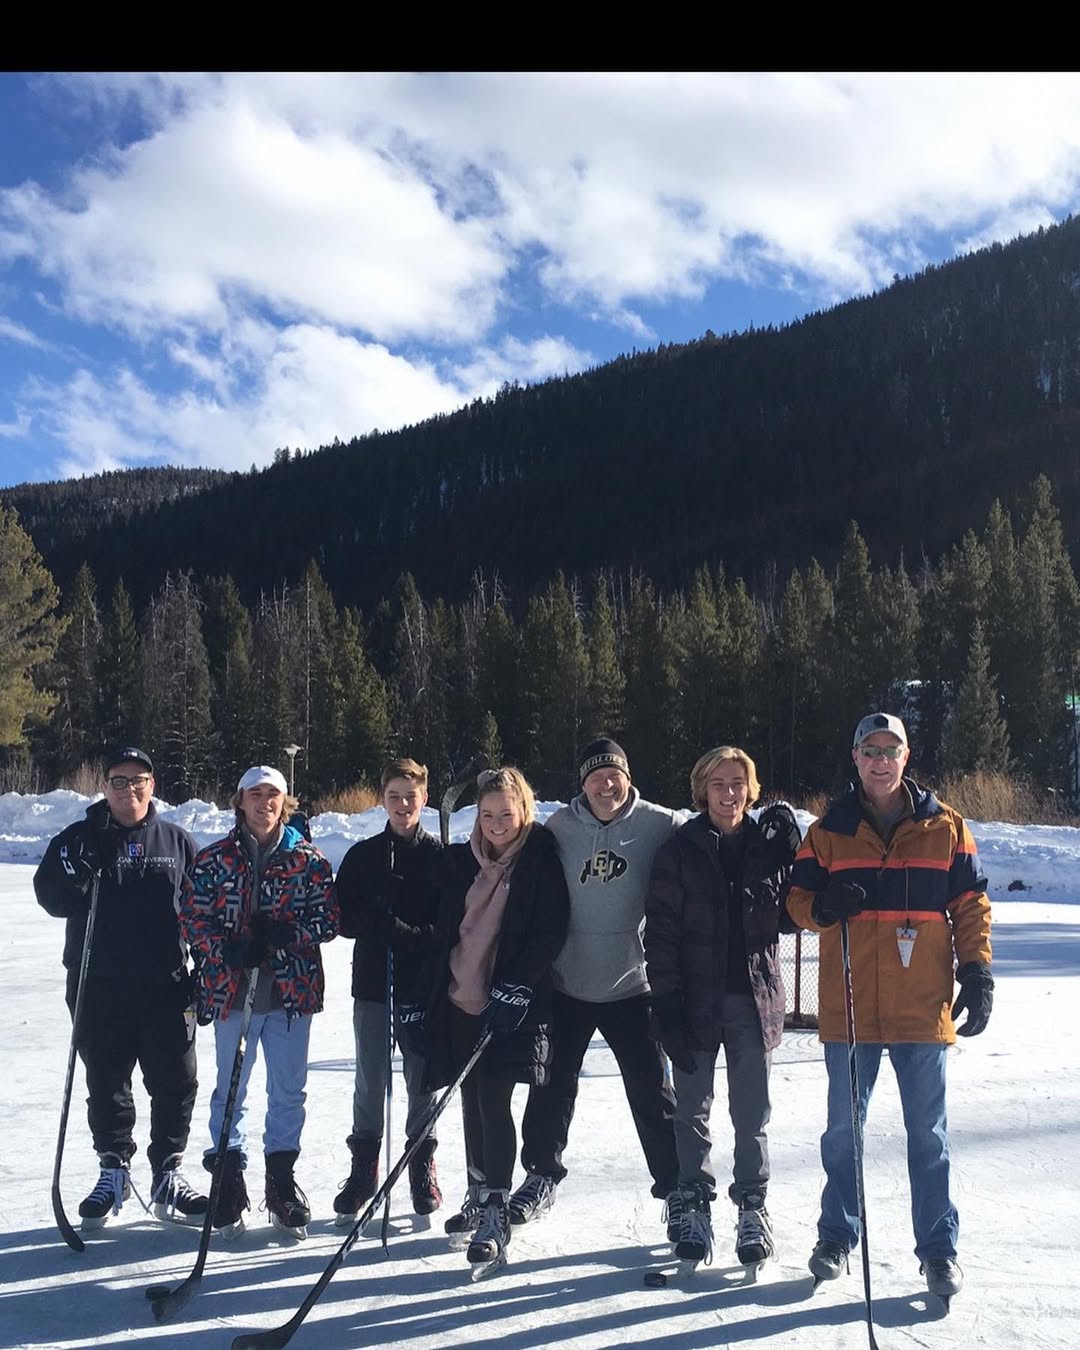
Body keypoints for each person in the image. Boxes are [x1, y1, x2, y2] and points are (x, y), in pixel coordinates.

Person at [787, 712, 993, 1303]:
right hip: (850, 1010)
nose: (880, 761)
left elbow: (971, 903)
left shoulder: (946, 826)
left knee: (928, 1136)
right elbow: (796, 901)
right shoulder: (827, 831)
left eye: (891, 750)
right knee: (841, 1132)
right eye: (870, 750)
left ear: (907, 756)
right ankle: (836, 1237)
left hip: (922, 1010)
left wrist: (977, 969)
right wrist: (821, 907)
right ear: (855, 758)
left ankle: (938, 1250)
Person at [511, 737, 682, 1236]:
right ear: (582, 784)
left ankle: (676, 1189)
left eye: (614, 775)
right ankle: (541, 1174)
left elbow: (706, 844)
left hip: (632, 984)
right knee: (550, 1087)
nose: (606, 785)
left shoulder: (661, 824)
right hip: (568, 983)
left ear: (628, 778)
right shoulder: (559, 828)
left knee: (652, 1093)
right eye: (595, 777)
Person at [34, 746, 207, 1228]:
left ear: (152, 786)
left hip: (166, 987)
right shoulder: (78, 839)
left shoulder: (177, 841)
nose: (129, 789)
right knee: (107, 1082)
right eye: (118, 780)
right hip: (98, 986)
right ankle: (113, 1168)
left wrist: (207, 971)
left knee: (176, 1081)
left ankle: (167, 1172)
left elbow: (202, 912)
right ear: (105, 787)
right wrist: (75, 871)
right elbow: (50, 897)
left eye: (138, 780)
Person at [408, 767, 569, 1273]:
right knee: (472, 1100)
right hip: (461, 998)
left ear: (524, 810)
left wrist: (518, 984)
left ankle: (497, 1209)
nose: (497, 824)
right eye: (487, 814)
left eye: (506, 813)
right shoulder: (463, 861)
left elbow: (550, 929)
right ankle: (478, 1194)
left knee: (494, 1099)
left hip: (509, 1003)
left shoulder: (540, 860)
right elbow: (442, 929)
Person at [644, 746, 800, 1268]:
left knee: (751, 1111)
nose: (729, 794)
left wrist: (794, 857)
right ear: (702, 790)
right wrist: (665, 999)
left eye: (737, 784)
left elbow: (792, 917)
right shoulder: (679, 849)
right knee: (691, 1108)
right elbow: (660, 931)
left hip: (754, 1000)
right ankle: (693, 1202)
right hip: (693, 1002)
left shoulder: (766, 846)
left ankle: (752, 1205)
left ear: (751, 790)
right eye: (718, 784)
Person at [181, 764, 339, 1238]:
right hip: (232, 995)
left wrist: (290, 934)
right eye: (255, 794)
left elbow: (329, 919)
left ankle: (281, 1181)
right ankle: (228, 1181)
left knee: (288, 1092)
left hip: (291, 995)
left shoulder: (308, 859)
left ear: (284, 803)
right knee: (230, 1089)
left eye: (273, 795)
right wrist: (224, 950)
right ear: (240, 800)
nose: (264, 802)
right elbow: (193, 917)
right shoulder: (214, 859)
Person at [333, 758, 443, 1222]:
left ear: (424, 798)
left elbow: (451, 924)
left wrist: (412, 934)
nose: (402, 804)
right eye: (394, 796)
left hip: (422, 986)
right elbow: (340, 917)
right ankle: (364, 1169)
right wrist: (373, 917)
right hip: (374, 983)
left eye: (410, 796)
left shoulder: (438, 856)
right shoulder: (363, 856)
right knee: (370, 1077)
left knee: (422, 1077)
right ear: (382, 799)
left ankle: (420, 1163)